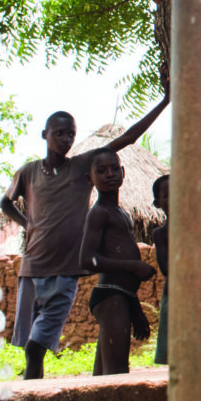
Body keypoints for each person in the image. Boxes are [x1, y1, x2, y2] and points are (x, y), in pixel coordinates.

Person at [2, 95, 168, 379]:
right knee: (31, 346)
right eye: (59, 133)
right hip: (32, 268)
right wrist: (27, 224)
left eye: (71, 134)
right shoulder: (28, 172)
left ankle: (32, 394)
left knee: (38, 345)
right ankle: (31, 395)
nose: (66, 139)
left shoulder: (81, 167)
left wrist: (165, 101)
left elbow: (128, 138)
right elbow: (6, 203)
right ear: (44, 134)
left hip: (66, 271)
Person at [78, 149, 156, 376]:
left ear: (123, 172)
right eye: (101, 171)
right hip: (110, 296)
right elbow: (87, 260)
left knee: (104, 376)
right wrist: (133, 266)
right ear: (90, 179)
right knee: (116, 373)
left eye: (114, 169)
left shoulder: (121, 213)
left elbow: (124, 277)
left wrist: (135, 309)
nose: (109, 174)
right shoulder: (99, 213)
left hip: (120, 296)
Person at [151, 175, 170, 365]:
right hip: (173, 297)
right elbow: (166, 269)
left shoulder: (200, 230)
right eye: (167, 195)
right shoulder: (161, 234)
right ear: (158, 203)